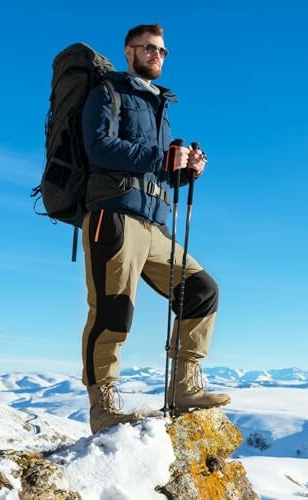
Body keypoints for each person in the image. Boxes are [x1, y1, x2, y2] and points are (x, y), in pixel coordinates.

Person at [81, 23, 230, 434]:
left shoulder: (158, 106)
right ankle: (104, 407)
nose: (157, 56)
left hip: (155, 223)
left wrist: (184, 171)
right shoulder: (108, 92)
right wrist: (162, 157)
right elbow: (99, 146)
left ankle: (184, 386)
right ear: (129, 52)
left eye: (163, 51)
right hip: (112, 216)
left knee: (202, 289)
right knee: (113, 310)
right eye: (149, 49)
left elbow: (155, 170)